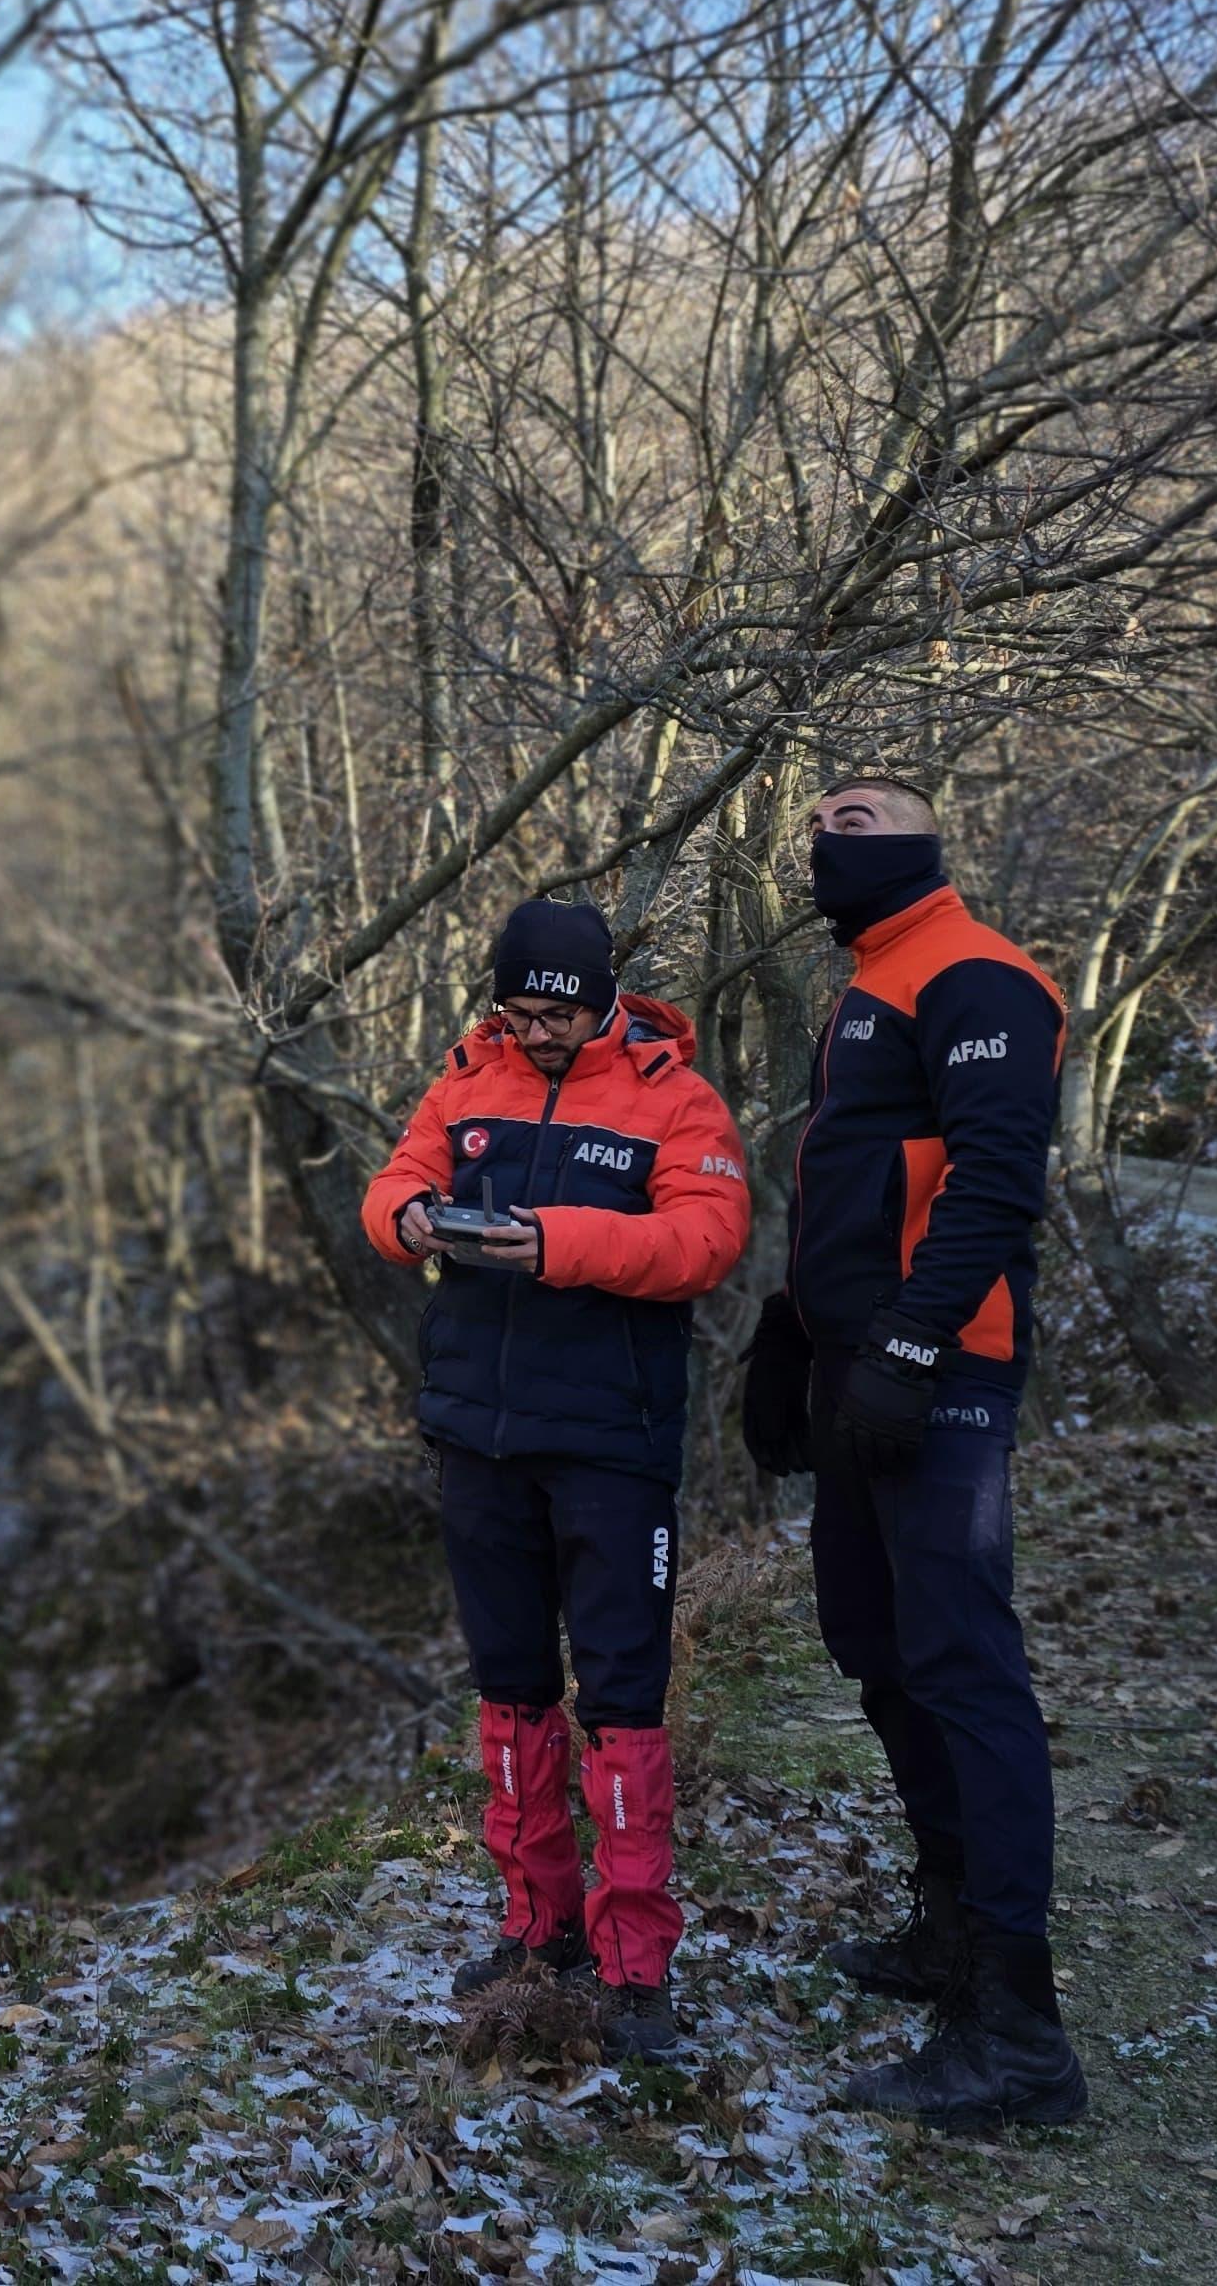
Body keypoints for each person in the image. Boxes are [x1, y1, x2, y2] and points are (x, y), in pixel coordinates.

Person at [739, 777, 1088, 2130]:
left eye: (863, 820)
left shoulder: (978, 975)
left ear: (928, 843)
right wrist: (794, 1330)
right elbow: (860, 1186)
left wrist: (907, 1345)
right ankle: (948, 1927)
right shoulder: (870, 982)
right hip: (858, 1367)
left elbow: (993, 1188)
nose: (830, 840)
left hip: (936, 1372)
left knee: (962, 1666)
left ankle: (1019, 2036)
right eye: (819, 824)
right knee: (875, 1646)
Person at [360, 895, 751, 2060]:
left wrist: (557, 1245)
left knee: (621, 1699)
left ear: (602, 1001)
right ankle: (540, 1926)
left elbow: (706, 1241)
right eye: (519, 1011)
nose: (535, 1033)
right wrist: (411, 1221)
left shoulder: (676, 1097)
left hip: (609, 1444)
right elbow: (389, 1186)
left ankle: (636, 1970)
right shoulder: (463, 1082)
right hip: (474, 1436)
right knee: (511, 1689)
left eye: (557, 1014)